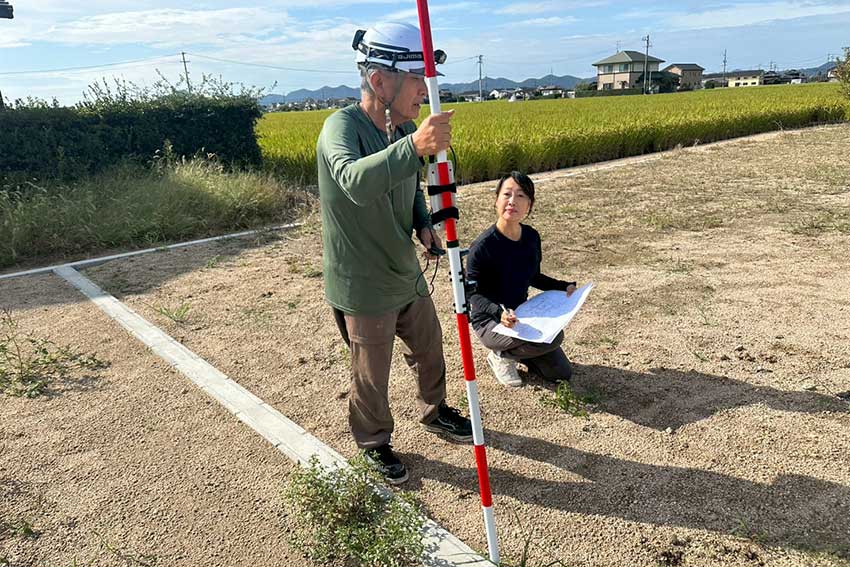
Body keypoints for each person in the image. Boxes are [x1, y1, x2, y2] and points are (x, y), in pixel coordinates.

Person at [316, 21, 472, 485]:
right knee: (371, 373)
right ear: (380, 81)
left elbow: (409, 188)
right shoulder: (339, 128)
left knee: (429, 346)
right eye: (417, 83)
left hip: (404, 270)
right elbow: (354, 181)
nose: (424, 94)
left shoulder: (399, 128)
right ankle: (373, 442)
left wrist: (423, 224)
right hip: (363, 282)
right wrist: (414, 145)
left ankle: (435, 408)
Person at [467, 171, 577, 387]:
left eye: (521, 196)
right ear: (496, 200)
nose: (512, 201)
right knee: (548, 340)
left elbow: (533, 276)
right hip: (490, 320)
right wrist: (498, 313)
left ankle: (521, 353)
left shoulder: (531, 237)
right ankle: (500, 356)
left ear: (529, 205)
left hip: (522, 315)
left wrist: (564, 286)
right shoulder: (482, 247)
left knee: (560, 371)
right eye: (507, 194)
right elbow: (472, 293)